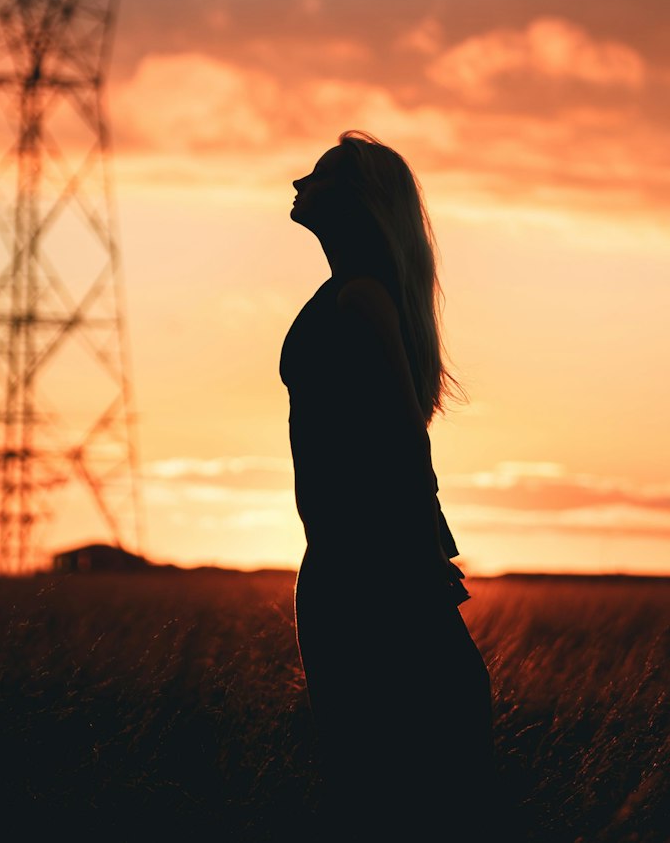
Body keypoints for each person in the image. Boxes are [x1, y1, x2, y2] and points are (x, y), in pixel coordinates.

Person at [279, 130, 493, 840]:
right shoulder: (352, 290)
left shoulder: (361, 297)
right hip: (354, 558)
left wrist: (426, 563)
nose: (297, 183)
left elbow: (407, 441)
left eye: (318, 175)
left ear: (357, 199)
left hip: (361, 565)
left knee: (366, 779)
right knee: (376, 774)